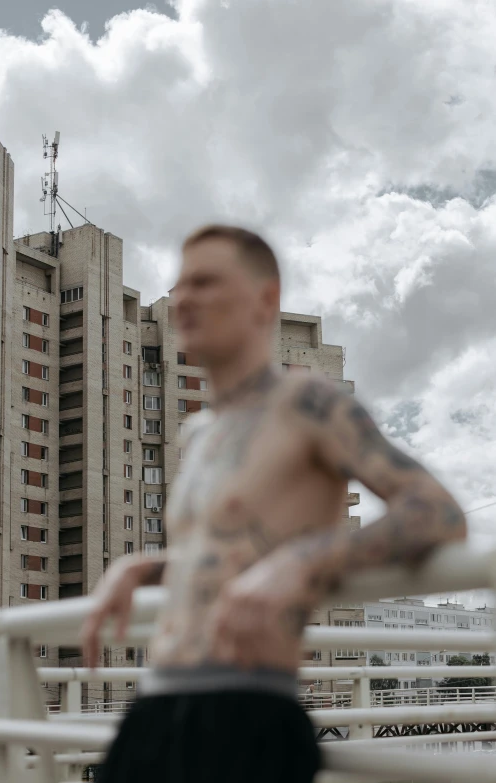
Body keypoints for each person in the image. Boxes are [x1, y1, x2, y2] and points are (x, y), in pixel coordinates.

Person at [82, 224, 466, 783]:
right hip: (153, 711)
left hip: (246, 713)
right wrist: (143, 567)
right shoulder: (199, 434)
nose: (184, 298)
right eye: (181, 283)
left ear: (266, 300)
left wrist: (303, 561)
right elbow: (226, 553)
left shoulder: (309, 404)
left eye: (206, 281)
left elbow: (440, 513)